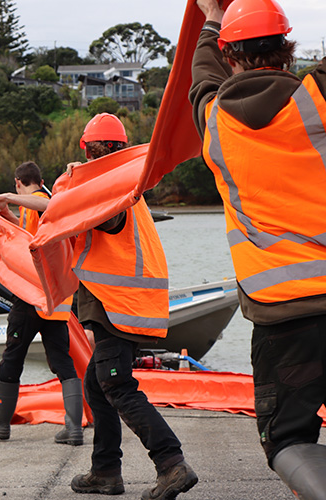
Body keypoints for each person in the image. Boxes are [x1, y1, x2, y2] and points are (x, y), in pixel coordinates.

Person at [190, 0, 326, 497]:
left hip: (282, 318)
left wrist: (209, 16)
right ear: (288, 50)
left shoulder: (213, 123)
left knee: (289, 440)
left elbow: (200, 77)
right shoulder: (317, 99)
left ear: (229, 55)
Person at [68, 114, 198, 498]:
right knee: (96, 384)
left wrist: (83, 181)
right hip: (129, 305)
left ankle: (171, 463)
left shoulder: (112, 191)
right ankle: (105, 471)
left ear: (89, 150)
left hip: (117, 305)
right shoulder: (126, 182)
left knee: (115, 384)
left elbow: (103, 218)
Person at [0, 161, 84, 446]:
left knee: (13, 355)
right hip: (56, 299)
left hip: (31, 295)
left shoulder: (43, 201)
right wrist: (9, 215)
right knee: (61, 360)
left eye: (14, 190)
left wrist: (7, 199)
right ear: (40, 179)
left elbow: (46, 205)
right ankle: (73, 427)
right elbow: (26, 238)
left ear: (17, 182)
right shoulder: (33, 208)